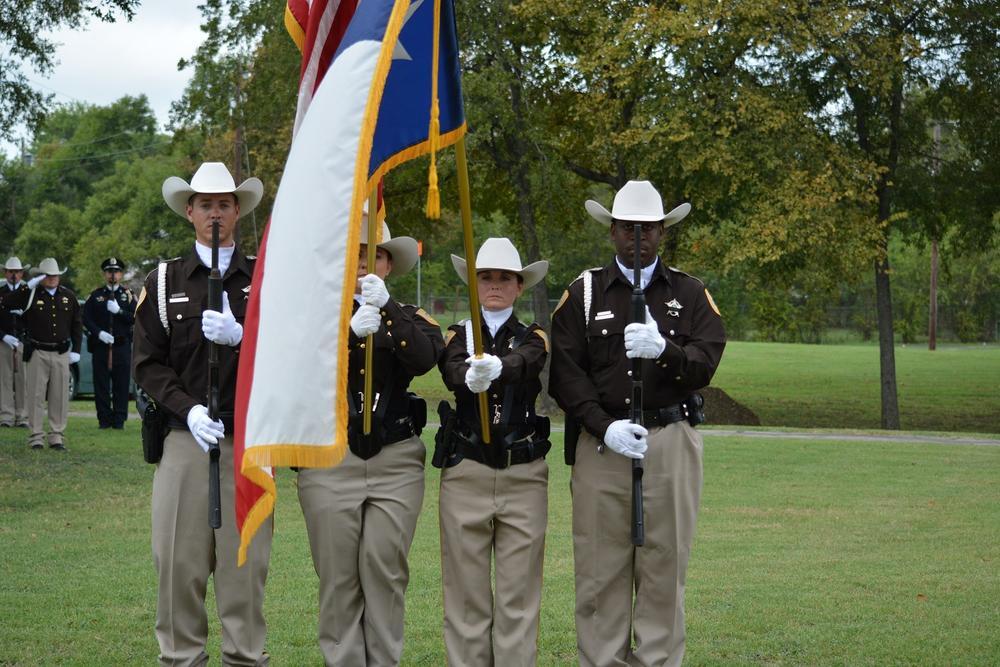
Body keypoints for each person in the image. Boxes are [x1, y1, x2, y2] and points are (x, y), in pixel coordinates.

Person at [549, 180, 726, 667]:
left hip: (670, 442)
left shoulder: (689, 292)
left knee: (664, 572)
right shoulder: (583, 292)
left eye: (647, 227)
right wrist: (602, 425)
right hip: (602, 444)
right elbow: (565, 373)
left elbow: (706, 361)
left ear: (662, 233)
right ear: (611, 232)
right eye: (627, 226)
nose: (637, 235)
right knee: (600, 573)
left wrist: (664, 350)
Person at [132, 162, 272, 666]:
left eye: (224, 204)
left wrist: (244, 338)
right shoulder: (163, 279)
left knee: (245, 571)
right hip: (184, 441)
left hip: (246, 443)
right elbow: (147, 364)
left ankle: (245, 659)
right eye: (205, 204)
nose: (215, 213)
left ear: (238, 211)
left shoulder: (265, 277)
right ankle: (181, 658)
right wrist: (188, 410)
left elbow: (288, 354)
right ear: (189, 211)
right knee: (177, 566)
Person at [296, 212, 443, 666]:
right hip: (330, 457)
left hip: (395, 461)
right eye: (354, 254)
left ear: (387, 264)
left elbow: (423, 359)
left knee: (385, 570)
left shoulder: (412, 316)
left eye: (372, 254)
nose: (362, 263)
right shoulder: (313, 317)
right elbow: (299, 366)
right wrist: (344, 330)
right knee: (338, 577)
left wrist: (388, 311)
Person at [433, 237, 552, 665]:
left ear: (520, 286)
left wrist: (501, 367)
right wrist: (469, 373)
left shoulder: (533, 335)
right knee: (466, 594)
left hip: (522, 473)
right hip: (467, 470)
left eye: (505, 278)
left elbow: (529, 360)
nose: (495, 285)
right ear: (473, 284)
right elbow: (450, 369)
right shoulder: (457, 334)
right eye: (486, 277)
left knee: (518, 594)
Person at [1, 257, 82, 451]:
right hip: (38, 351)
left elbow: (77, 324)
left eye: (55, 275)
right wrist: (27, 286)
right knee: (35, 395)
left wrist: (76, 350)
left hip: (61, 351)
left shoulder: (68, 296)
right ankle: (36, 435)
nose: (52, 278)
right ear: (41, 277)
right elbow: (6, 302)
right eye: (48, 275)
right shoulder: (30, 294)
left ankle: (56, 436)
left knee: (59, 396)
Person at [82, 257, 136, 429]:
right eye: (109, 272)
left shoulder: (128, 296)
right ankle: (104, 420)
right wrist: (99, 333)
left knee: (121, 384)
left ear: (121, 274)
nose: (113, 275)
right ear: (105, 274)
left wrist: (119, 311)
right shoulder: (96, 295)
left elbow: (135, 317)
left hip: (121, 346)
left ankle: (119, 420)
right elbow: (86, 318)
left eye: (116, 272)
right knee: (102, 385)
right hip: (101, 346)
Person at [0, 256, 31, 427]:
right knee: (4, 379)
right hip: (4, 340)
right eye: (11, 271)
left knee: (23, 379)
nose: (14, 275)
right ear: (5, 273)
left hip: (21, 340)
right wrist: (3, 336)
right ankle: (6, 416)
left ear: (21, 273)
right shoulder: (1, 293)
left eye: (17, 272)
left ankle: (23, 416)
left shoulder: (28, 293)